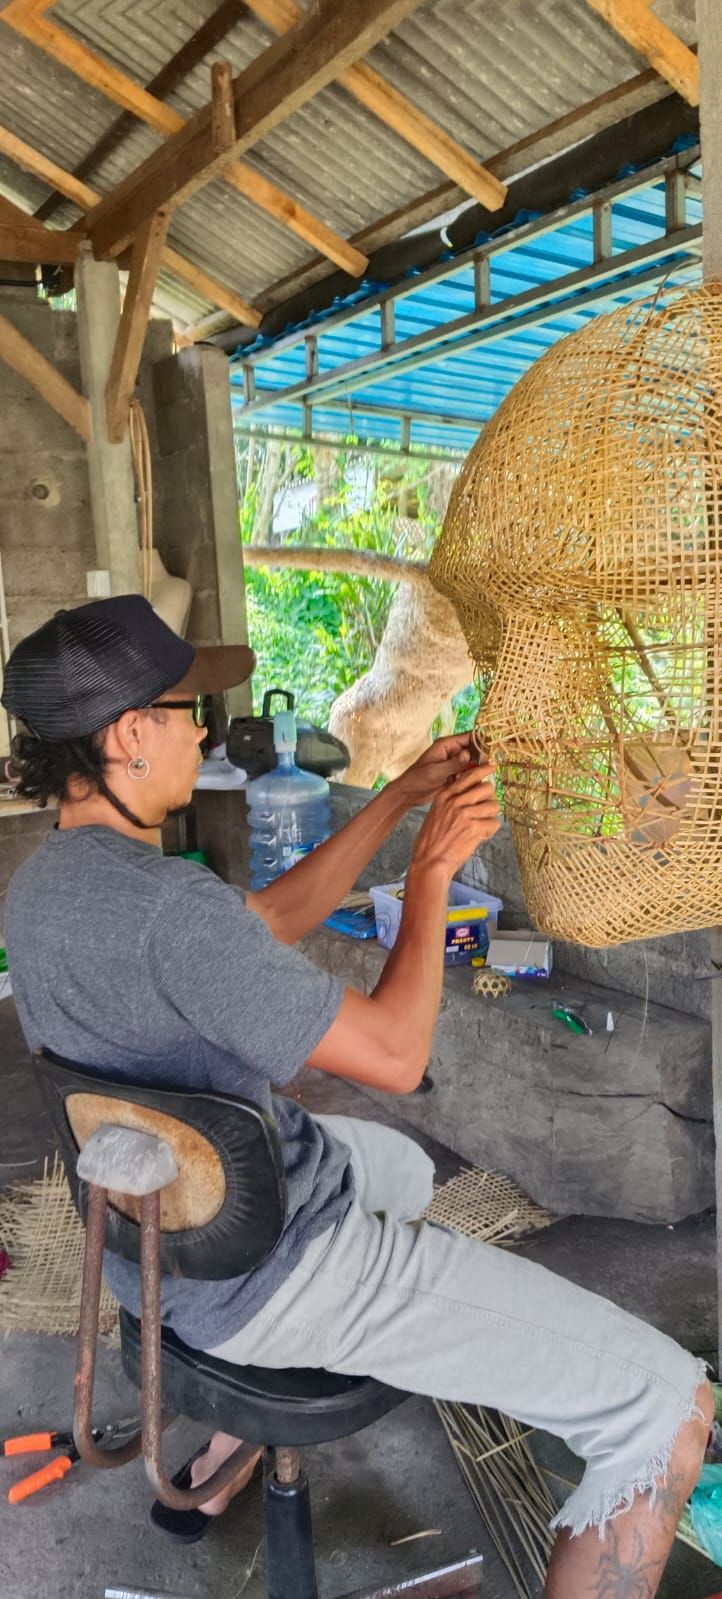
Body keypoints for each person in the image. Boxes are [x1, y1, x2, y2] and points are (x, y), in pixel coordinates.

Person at [2, 595, 711, 1598]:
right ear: (126, 736)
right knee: (665, 1406)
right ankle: (302, 1375)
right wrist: (430, 874)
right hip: (273, 1277)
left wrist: (395, 800)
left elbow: (255, 926)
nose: (203, 728)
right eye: (184, 708)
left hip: (154, 1253)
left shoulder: (48, 888)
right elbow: (390, 1054)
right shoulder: (172, 912)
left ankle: (219, 1461)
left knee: (404, 1164)